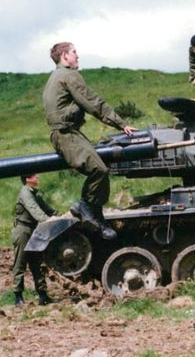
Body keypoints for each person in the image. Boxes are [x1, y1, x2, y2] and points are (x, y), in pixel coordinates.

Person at [43, 42, 136, 240]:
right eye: (74, 53)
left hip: (66, 133)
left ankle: (95, 215)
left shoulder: (55, 76)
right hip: (66, 134)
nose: (78, 56)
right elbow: (93, 103)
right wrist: (121, 124)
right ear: (65, 57)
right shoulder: (69, 75)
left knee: (99, 167)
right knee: (99, 170)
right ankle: (85, 206)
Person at [12, 174, 57, 306]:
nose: (38, 177)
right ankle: (18, 296)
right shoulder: (26, 193)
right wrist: (48, 221)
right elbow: (35, 210)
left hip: (33, 230)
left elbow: (47, 209)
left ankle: (43, 295)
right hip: (23, 230)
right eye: (34, 175)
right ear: (27, 179)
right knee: (20, 263)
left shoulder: (34, 194)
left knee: (37, 263)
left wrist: (60, 216)